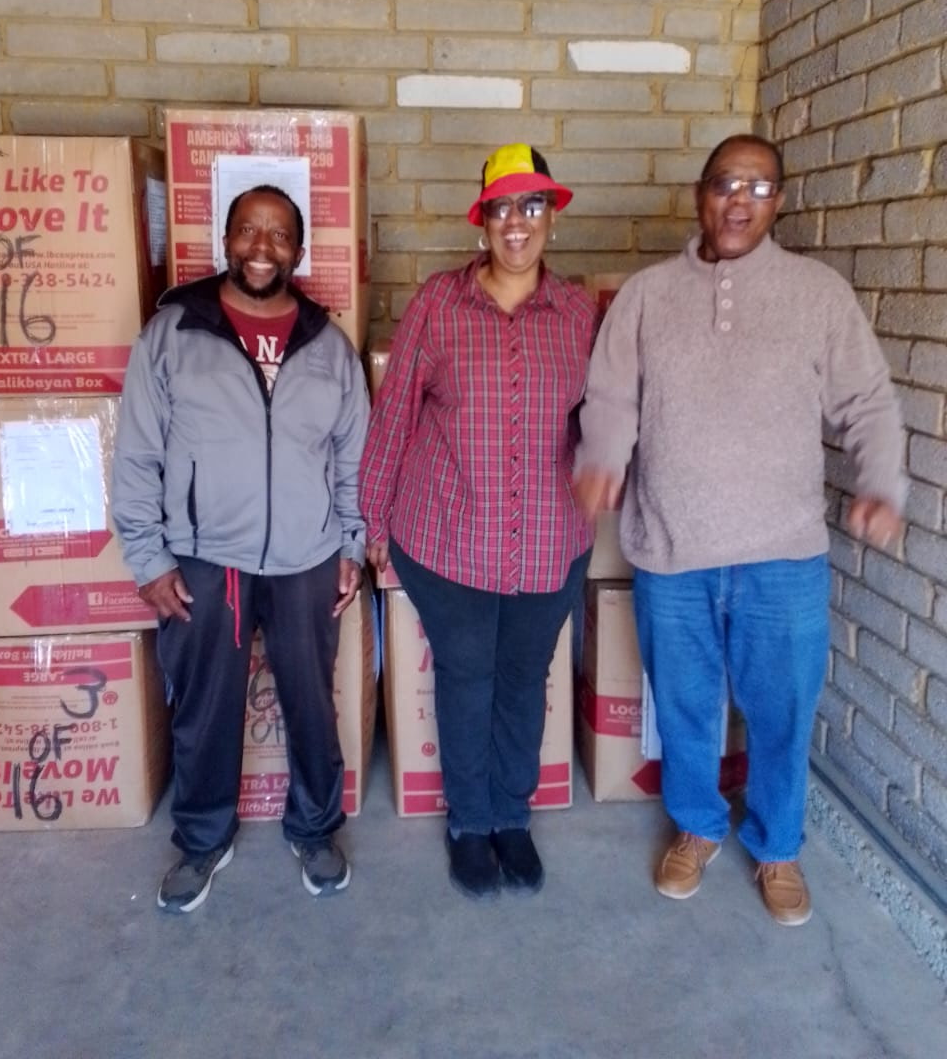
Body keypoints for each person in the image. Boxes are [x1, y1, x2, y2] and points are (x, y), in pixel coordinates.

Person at [574, 134, 904, 927]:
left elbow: (869, 401)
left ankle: (779, 846)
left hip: (781, 555)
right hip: (672, 549)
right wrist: (604, 458)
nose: (739, 200)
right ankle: (696, 827)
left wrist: (882, 484)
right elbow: (611, 395)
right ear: (701, 195)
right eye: (725, 184)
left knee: (783, 709)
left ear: (778, 201)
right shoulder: (649, 294)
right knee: (684, 705)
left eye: (757, 187)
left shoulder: (818, 294)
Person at [112, 184, 369, 913]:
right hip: (203, 555)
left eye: (280, 234)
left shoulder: (326, 340)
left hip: (306, 555)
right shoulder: (175, 331)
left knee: (311, 703)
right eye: (249, 231)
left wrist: (351, 542)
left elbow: (354, 455)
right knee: (205, 705)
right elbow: (137, 453)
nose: (263, 247)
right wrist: (150, 558)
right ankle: (201, 839)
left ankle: (315, 828)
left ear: (299, 249)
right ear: (226, 241)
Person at [360, 144, 595, 899]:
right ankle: (468, 823)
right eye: (503, 207)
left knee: (524, 679)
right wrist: (372, 524)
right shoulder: (437, 303)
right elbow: (394, 415)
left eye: (532, 206)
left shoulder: (578, 315)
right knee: (466, 678)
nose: (517, 222)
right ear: (483, 218)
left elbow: (601, 417)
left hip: (550, 543)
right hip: (449, 537)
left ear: (550, 218)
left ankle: (510, 818)